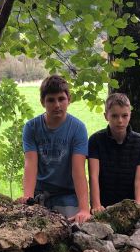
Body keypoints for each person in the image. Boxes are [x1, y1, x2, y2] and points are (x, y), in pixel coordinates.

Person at [18, 75, 91, 223]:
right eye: (51, 100)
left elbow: (78, 170)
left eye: (61, 99)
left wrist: (84, 209)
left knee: (71, 227)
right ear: (42, 102)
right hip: (40, 193)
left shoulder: (78, 128)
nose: (57, 105)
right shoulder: (31, 127)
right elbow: (30, 165)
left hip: (67, 194)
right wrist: (28, 198)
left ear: (69, 99)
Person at [88, 93, 140, 212]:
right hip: (104, 205)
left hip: (131, 205)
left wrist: (138, 206)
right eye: (114, 116)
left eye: (124, 116)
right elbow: (93, 176)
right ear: (106, 116)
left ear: (130, 115)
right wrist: (96, 205)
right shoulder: (95, 140)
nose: (120, 121)